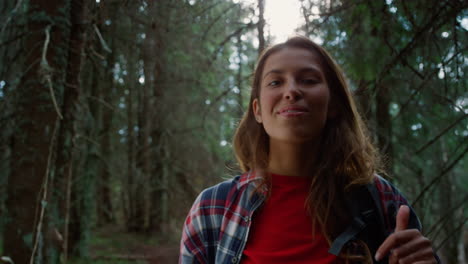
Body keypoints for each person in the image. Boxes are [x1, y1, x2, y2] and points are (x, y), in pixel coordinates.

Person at [179, 36, 438, 264]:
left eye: (309, 80)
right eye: (275, 82)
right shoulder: (212, 209)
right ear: (257, 110)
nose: (291, 91)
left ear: (333, 104)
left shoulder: (379, 200)